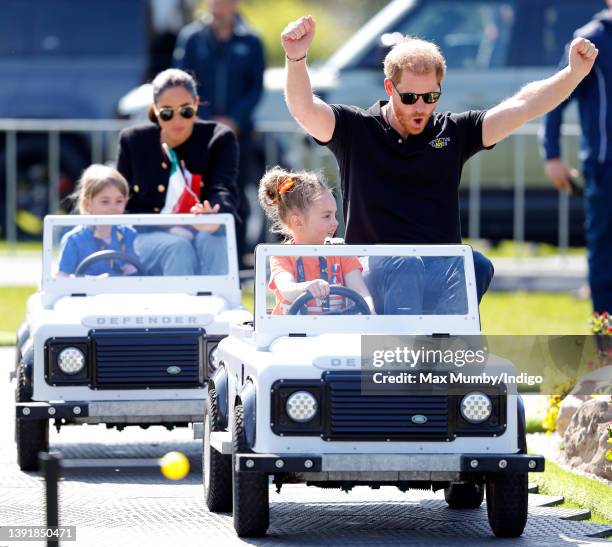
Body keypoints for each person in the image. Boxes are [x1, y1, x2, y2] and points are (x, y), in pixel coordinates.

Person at [281, 16, 598, 314]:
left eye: (431, 97)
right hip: (372, 270)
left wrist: (573, 75)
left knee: (477, 265)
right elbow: (305, 111)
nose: (421, 107)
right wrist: (296, 59)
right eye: (410, 98)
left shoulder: (454, 131)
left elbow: (523, 105)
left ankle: (445, 354)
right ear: (390, 88)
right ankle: (402, 356)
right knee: (404, 266)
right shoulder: (356, 128)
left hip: (436, 265)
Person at [116, 68, 239, 276]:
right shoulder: (133, 140)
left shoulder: (219, 138)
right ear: (154, 110)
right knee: (177, 247)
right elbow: (121, 199)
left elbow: (223, 188)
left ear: (196, 104)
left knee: (215, 240)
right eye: (166, 112)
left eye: (185, 111)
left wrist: (213, 215)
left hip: (201, 228)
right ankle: (180, 309)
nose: (177, 120)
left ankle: (220, 303)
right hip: (145, 235)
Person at [173, 0, 265, 267]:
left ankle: (234, 264)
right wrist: (203, 117)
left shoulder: (251, 41)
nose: (218, 6)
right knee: (196, 195)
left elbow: (255, 88)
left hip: (238, 137)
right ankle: (198, 262)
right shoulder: (191, 38)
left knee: (235, 197)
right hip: (199, 134)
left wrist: (234, 120)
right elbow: (182, 82)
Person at [541, 1, 612, 314]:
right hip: (604, 167)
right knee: (605, 262)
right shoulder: (590, 40)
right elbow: (556, 98)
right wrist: (552, 154)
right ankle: (605, 346)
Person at [259, 166, 375, 315]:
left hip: (336, 333)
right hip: (292, 335)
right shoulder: (282, 255)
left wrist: (370, 311)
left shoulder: (341, 252)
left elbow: (360, 292)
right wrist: (305, 287)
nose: (336, 222)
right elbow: (286, 288)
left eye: (335, 215)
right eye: (327, 216)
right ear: (298, 222)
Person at [57, 165, 138, 277]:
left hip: (121, 293)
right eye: (105, 202)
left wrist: (133, 270)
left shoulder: (129, 235)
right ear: (87, 204)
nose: (113, 207)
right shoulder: (74, 239)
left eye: (119, 201)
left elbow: (137, 273)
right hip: (86, 293)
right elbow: (63, 276)